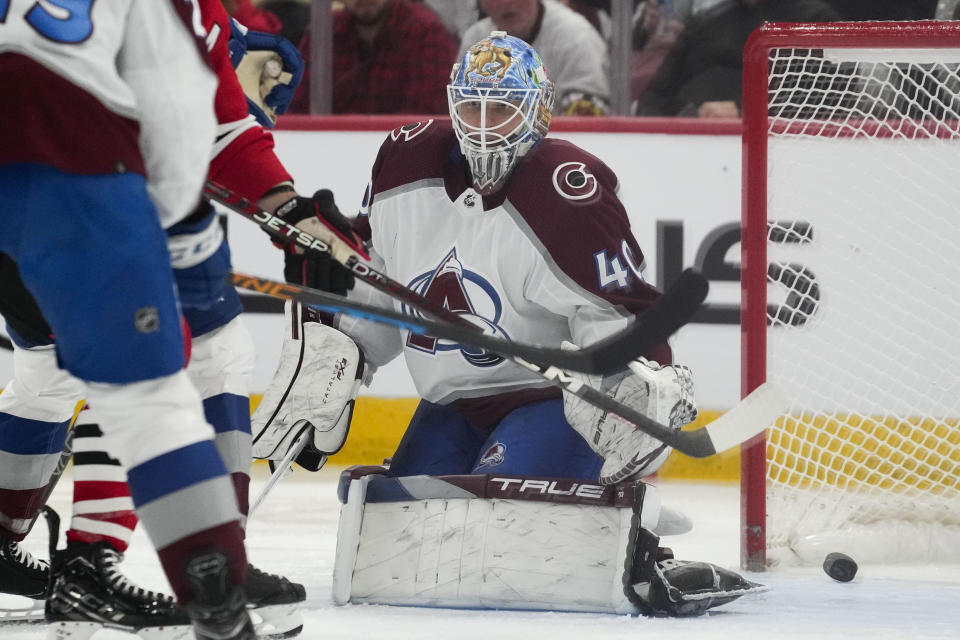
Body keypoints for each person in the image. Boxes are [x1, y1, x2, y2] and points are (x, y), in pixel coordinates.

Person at [256, 31, 762, 616]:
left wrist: (624, 381)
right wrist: (343, 357)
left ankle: (639, 542)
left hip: (544, 402)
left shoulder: (568, 192)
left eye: (503, 107)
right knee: (406, 544)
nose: (485, 124)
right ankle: (596, 507)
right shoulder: (403, 162)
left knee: (504, 537)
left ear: (538, 110)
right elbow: (384, 287)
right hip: (450, 404)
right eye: (473, 105)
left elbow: (619, 315)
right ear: (451, 103)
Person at [0, 1, 344, 637]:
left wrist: (289, 214)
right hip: (63, 180)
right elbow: (217, 130)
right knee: (162, 363)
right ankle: (99, 568)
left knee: (50, 369)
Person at [635, 0, 841, 117]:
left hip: (771, 157)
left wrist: (745, 115)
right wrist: (685, 117)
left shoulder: (815, 22)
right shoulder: (705, 23)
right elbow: (653, 99)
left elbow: (829, 101)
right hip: (687, 149)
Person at [289, 0, 459, 114]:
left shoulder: (426, 33)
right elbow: (296, 109)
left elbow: (425, 123)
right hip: (329, 153)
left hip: (400, 156)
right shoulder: (324, 34)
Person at [460, 0, 611, 115]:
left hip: (559, 147)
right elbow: (461, 107)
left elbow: (589, 114)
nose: (506, 2)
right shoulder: (475, 40)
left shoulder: (576, 35)